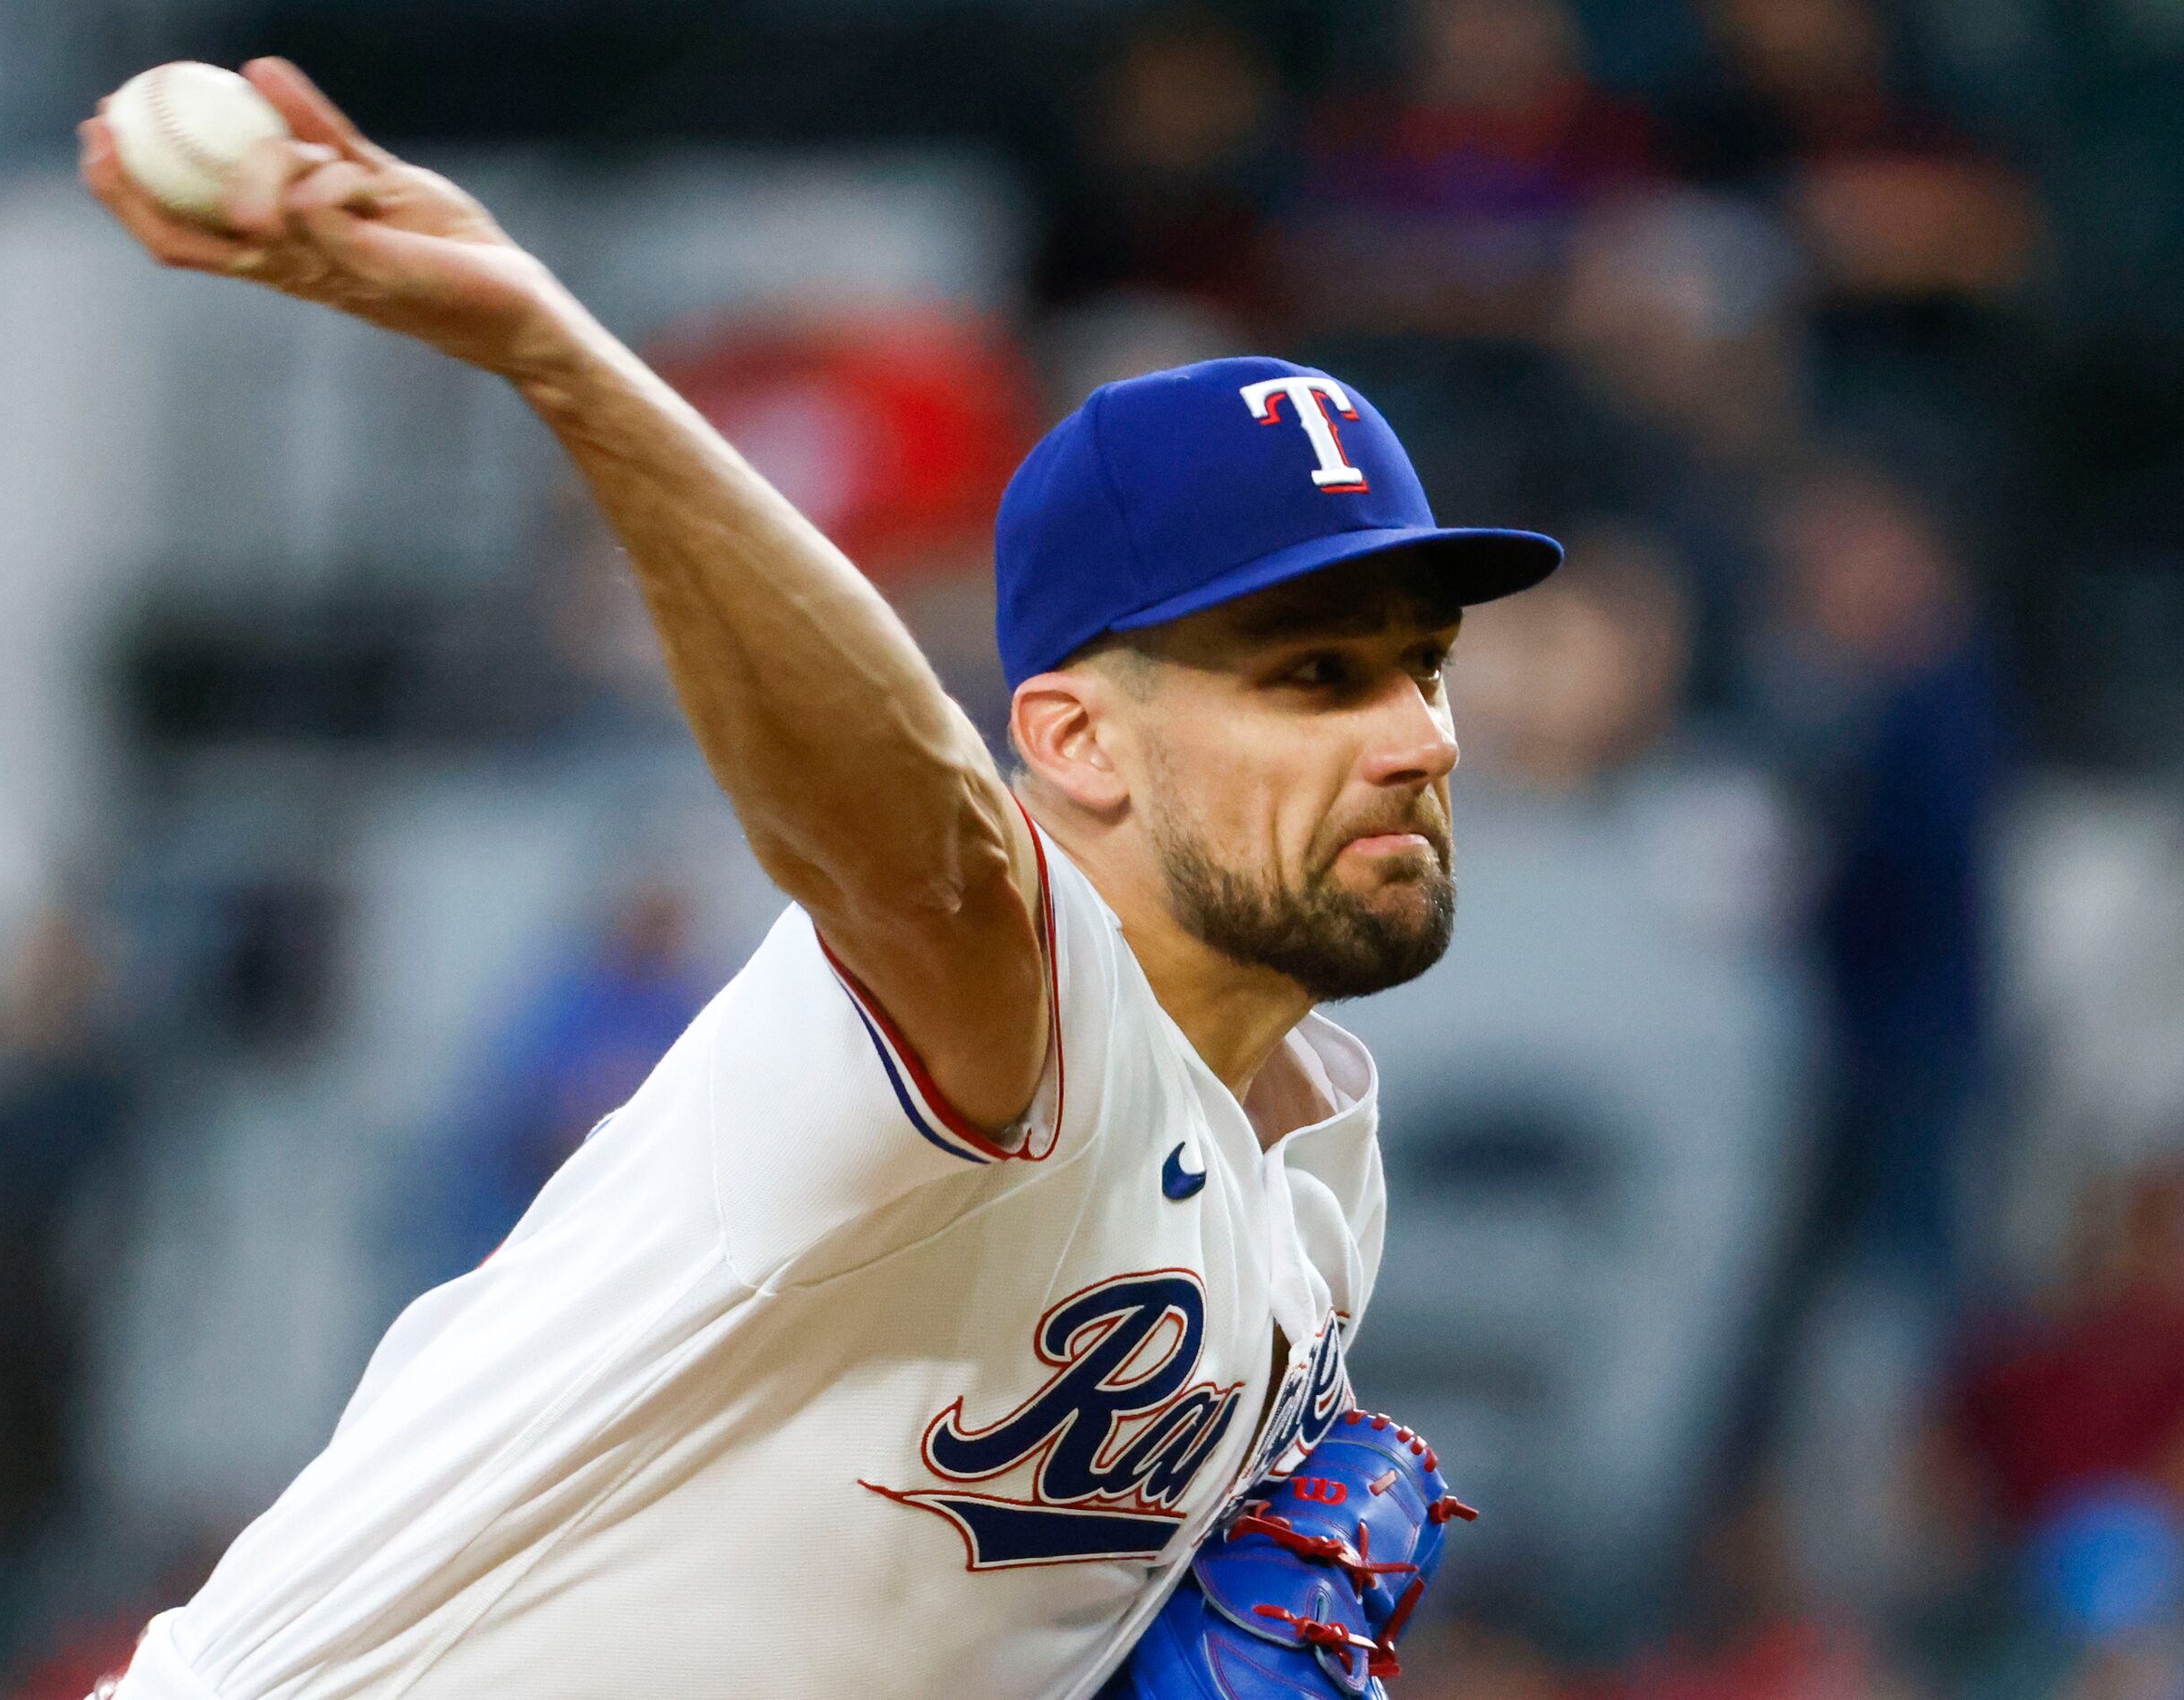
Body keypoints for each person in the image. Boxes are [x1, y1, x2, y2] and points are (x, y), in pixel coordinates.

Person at [80, 59, 1560, 1700]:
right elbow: (903, 825)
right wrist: (561, 362)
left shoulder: (1318, 1187)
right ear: (1074, 741)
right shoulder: (1025, 1005)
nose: (1414, 735)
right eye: (1312, 677)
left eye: (1420, 666)